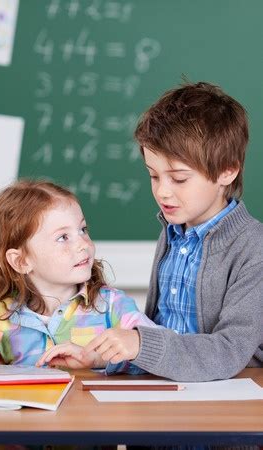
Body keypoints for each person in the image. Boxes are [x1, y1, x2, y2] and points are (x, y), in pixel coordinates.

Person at [86, 81, 263, 382]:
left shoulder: (253, 248)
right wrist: (105, 355)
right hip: (170, 388)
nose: (162, 192)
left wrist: (141, 343)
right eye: (153, 176)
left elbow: (230, 349)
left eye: (179, 179)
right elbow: (159, 331)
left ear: (227, 171)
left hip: (231, 395)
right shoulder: (172, 233)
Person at [0, 179, 156, 371]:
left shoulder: (113, 306)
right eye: (63, 237)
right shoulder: (1, 319)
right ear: (21, 261)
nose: (83, 244)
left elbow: (160, 354)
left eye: (83, 229)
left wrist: (97, 359)